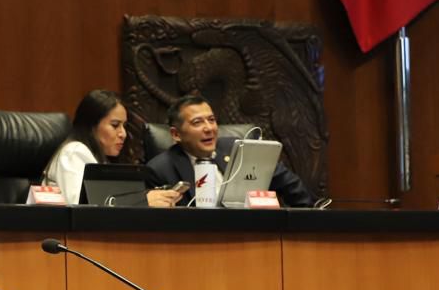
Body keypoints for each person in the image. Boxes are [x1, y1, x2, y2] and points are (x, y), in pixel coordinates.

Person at [147, 94, 315, 207]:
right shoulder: (160, 169)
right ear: (176, 134)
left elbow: (291, 185)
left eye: (211, 120)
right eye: (197, 122)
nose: (209, 128)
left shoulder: (240, 149)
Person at [41, 89, 182, 206]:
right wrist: (143, 201)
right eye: (115, 125)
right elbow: (80, 208)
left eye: (124, 126)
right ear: (92, 125)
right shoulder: (74, 152)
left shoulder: (100, 158)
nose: (123, 134)